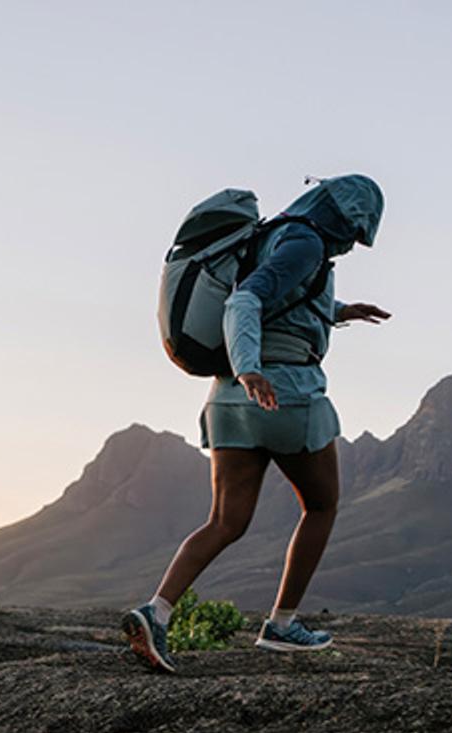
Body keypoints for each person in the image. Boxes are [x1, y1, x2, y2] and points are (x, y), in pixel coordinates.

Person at [124, 175, 390, 673]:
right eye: (354, 232)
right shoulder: (307, 241)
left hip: (227, 400)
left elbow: (277, 295)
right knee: (322, 505)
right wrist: (253, 368)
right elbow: (246, 301)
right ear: (340, 215)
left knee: (225, 521)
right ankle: (283, 625)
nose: (351, 245)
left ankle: (155, 613)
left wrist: (338, 311)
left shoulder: (271, 235)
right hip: (282, 393)